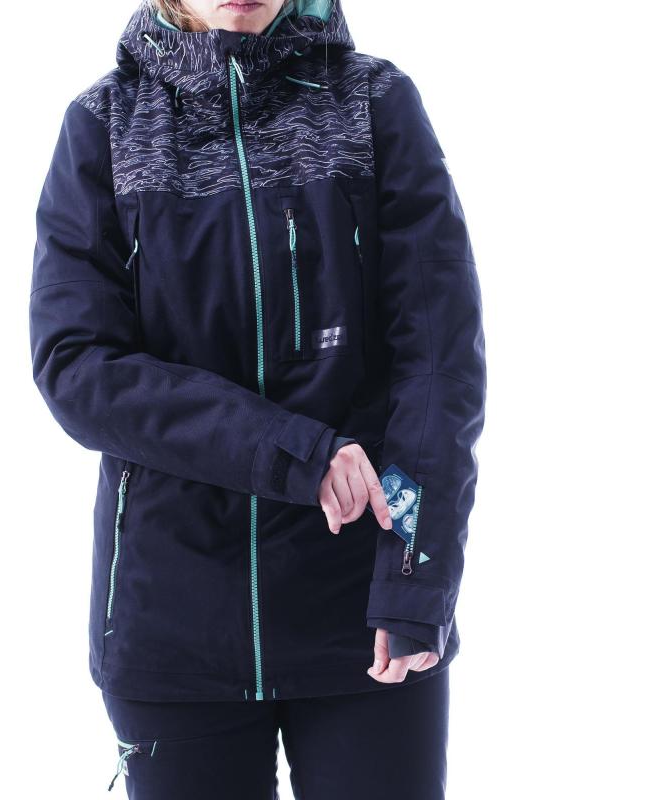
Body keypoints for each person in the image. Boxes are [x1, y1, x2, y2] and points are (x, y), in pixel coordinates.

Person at [29, 0, 486, 796]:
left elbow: (438, 368)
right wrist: (296, 453)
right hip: (173, 632)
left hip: (364, 619)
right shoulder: (104, 126)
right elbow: (79, 367)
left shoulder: (374, 105)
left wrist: (415, 578)